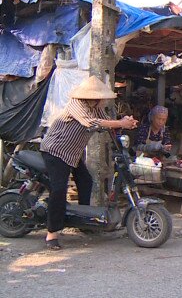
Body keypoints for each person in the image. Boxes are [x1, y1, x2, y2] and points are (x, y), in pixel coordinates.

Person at [39, 76, 138, 251]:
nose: (100, 100)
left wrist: (126, 123)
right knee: (59, 190)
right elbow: (90, 122)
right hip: (55, 151)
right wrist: (120, 122)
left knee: (86, 181)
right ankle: (52, 234)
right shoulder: (76, 104)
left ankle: (83, 222)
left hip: (72, 154)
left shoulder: (96, 108)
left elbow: (105, 122)